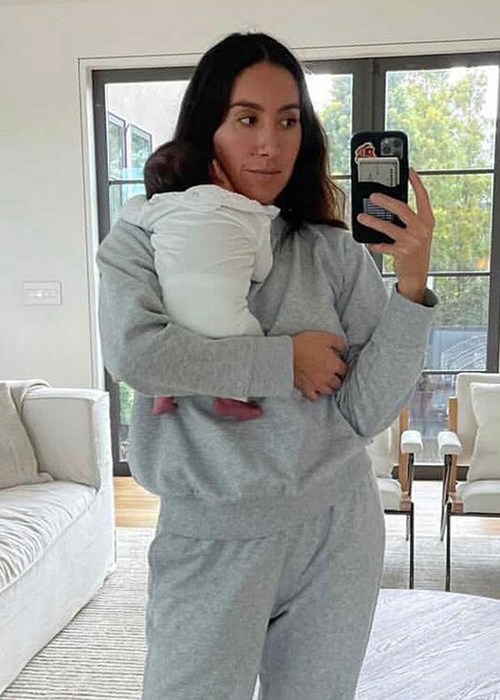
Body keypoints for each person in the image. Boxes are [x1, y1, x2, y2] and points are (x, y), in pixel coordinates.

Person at [97, 31, 436, 700]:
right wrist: (284, 361)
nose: (270, 145)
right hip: (213, 533)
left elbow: (366, 410)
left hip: (338, 526)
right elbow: (137, 354)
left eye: (288, 121)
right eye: (247, 118)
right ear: (208, 126)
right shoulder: (144, 234)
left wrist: (410, 288)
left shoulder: (330, 251)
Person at [138, 139, 279, 421]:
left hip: (173, 318)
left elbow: (130, 214)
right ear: (216, 169)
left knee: (167, 346)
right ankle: (230, 397)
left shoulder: (158, 211)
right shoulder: (250, 212)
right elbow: (262, 271)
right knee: (252, 343)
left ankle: (163, 392)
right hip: (228, 323)